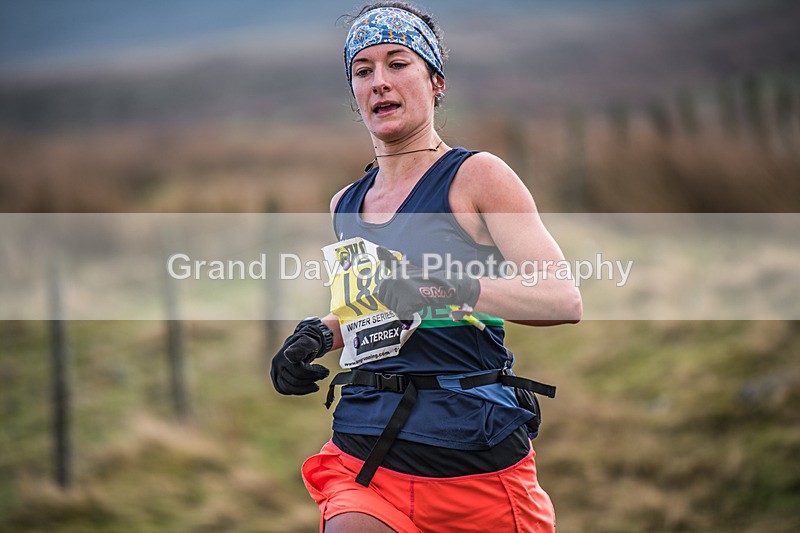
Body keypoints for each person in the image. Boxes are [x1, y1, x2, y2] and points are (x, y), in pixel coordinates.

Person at [270, 2, 582, 531]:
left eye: (398, 63)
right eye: (363, 71)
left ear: (435, 81)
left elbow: (562, 299)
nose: (379, 82)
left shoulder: (477, 176)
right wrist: (318, 336)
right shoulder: (344, 204)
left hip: (471, 459)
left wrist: (444, 287)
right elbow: (381, 312)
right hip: (368, 451)